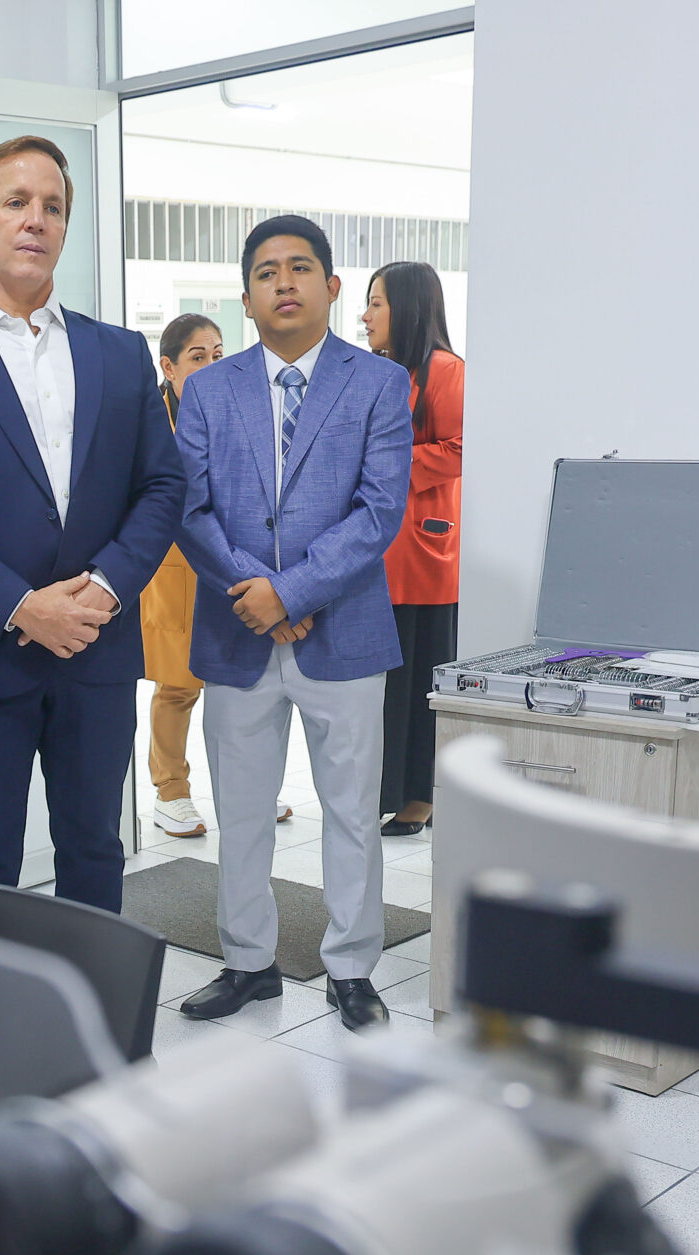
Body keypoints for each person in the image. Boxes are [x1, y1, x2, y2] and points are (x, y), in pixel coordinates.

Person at [0, 136, 185, 912]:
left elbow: (161, 485)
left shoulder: (119, 354)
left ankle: (95, 1030)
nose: (35, 220)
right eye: (16, 203)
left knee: (95, 846)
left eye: (52, 207)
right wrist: (23, 606)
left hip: (96, 646)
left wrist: (105, 590)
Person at [172, 216, 411, 1032]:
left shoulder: (379, 384)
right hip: (237, 629)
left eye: (301, 267)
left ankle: (350, 966)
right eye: (267, 272)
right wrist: (256, 591)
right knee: (241, 808)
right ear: (246, 298)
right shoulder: (207, 389)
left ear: (332, 286)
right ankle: (248, 962)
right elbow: (189, 506)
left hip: (343, 630)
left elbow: (379, 512)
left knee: (350, 808)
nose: (285, 282)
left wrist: (293, 594)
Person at [361, 261, 465, 835]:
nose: (366, 315)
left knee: (420, 679)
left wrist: (391, 465)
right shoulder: (378, 372)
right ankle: (389, 790)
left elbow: (458, 447)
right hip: (377, 554)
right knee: (386, 685)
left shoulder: (448, 371)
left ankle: (420, 798)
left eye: (376, 303)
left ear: (406, 306)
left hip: (423, 557)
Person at [142, 314, 218, 839]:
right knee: (178, 684)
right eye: (198, 357)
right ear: (167, 367)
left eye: (218, 355)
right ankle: (171, 791)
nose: (212, 366)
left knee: (240, 682)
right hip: (171, 566)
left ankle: (246, 785)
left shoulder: (232, 412)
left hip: (225, 562)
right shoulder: (150, 421)